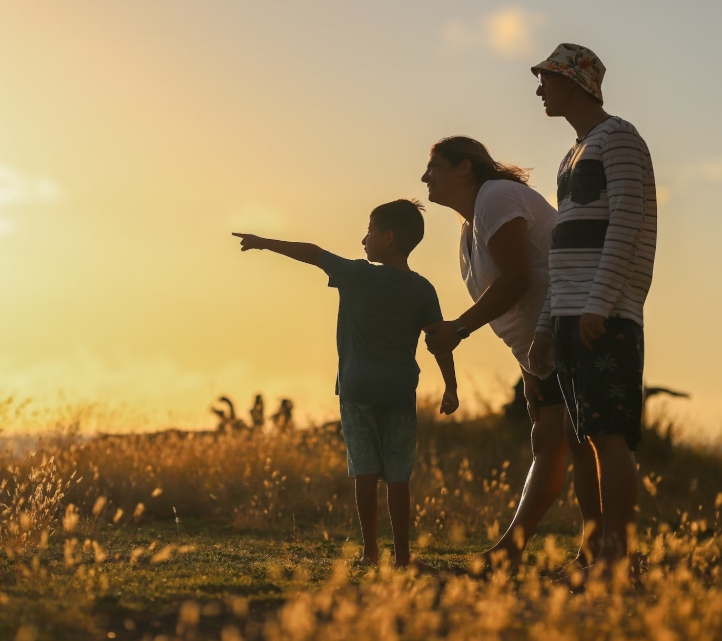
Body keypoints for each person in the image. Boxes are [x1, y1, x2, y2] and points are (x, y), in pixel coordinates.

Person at [233, 199, 458, 568]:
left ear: (388, 237)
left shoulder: (357, 274)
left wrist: (264, 242)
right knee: (398, 477)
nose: (363, 239)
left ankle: (370, 553)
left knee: (365, 472)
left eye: (369, 231)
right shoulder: (423, 289)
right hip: (400, 392)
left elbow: (312, 253)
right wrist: (451, 387)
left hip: (357, 390)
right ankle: (402, 557)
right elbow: (438, 341)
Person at [421, 136, 601, 571]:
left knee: (580, 442)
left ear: (465, 168)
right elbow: (523, 294)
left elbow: (519, 278)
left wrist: (459, 328)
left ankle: (594, 552)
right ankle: (525, 550)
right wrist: (529, 370)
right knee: (551, 441)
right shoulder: (472, 226)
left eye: (435, 167)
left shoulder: (496, 197)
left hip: (576, 326)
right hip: (544, 346)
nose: (426, 177)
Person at [528, 43, 657, 576]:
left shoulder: (620, 139)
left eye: (548, 79)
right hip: (568, 316)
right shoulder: (572, 153)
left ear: (578, 84)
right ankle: (593, 552)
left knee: (608, 436)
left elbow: (628, 227)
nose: (540, 89)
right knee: (581, 441)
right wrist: (544, 325)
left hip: (603, 314)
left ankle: (616, 561)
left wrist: (600, 304)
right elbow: (565, 248)